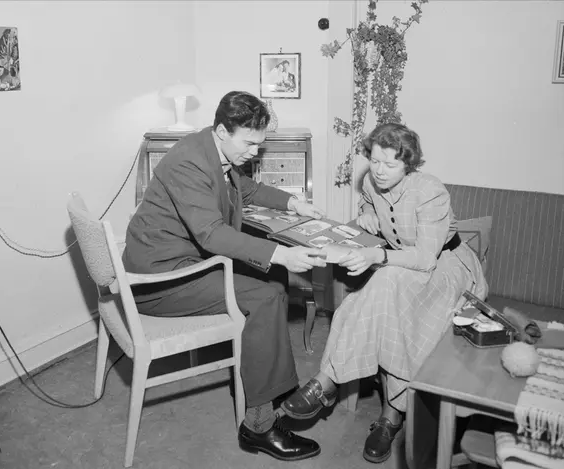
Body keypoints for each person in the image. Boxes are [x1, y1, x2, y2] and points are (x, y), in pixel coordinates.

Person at [122, 91, 327, 462]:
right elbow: (211, 234)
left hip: (182, 262)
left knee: (272, 282)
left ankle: (259, 378)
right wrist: (282, 254)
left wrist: (293, 202)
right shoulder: (189, 162)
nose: (255, 152)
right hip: (159, 280)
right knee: (266, 295)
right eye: (249, 143)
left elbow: (246, 189)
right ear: (221, 131)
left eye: (259, 143)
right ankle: (258, 427)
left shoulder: (212, 149)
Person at [279, 123, 488, 463]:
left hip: (444, 269)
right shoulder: (370, 182)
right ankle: (391, 416)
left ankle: (326, 381)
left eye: (390, 164)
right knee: (387, 296)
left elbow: (425, 258)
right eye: (374, 161)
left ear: (409, 164)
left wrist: (376, 255)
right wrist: (366, 214)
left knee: (383, 283)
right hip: (398, 270)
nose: (379, 171)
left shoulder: (430, 191)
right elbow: (368, 203)